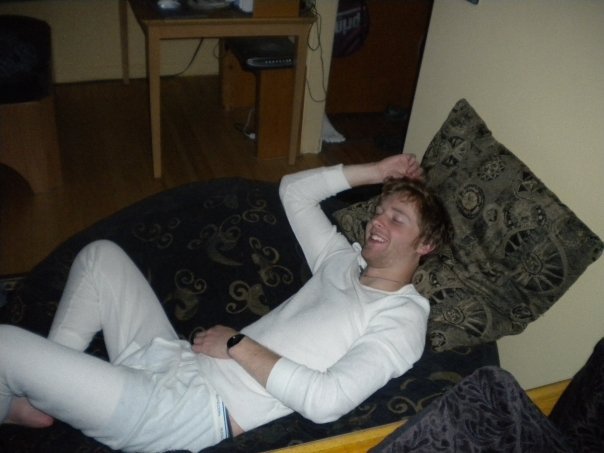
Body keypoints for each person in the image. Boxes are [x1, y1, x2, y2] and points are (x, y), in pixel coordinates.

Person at [0, 154, 451, 452]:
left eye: (397, 219)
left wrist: (237, 344)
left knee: (6, 345)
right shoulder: (341, 262)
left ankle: (19, 400)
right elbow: (293, 192)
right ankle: (43, 398)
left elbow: (326, 400)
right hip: (175, 359)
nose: (377, 221)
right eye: (379, 210)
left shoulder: (402, 317)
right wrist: (375, 172)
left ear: (425, 244)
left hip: (188, 410)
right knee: (100, 257)